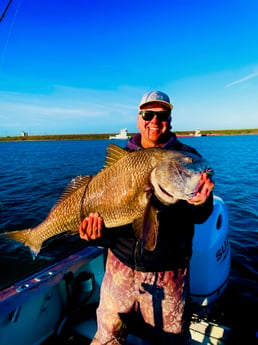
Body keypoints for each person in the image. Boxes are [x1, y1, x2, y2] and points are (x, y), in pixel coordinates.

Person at [79, 91, 214, 345]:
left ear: (170, 119)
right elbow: (111, 217)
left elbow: (201, 215)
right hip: (118, 267)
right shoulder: (121, 161)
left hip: (168, 272)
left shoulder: (187, 159)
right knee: (108, 336)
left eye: (162, 115)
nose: (154, 120)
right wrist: (92, 234)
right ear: (139, 119)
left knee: (168, 340)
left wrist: (202, 201)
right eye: (148, 114)